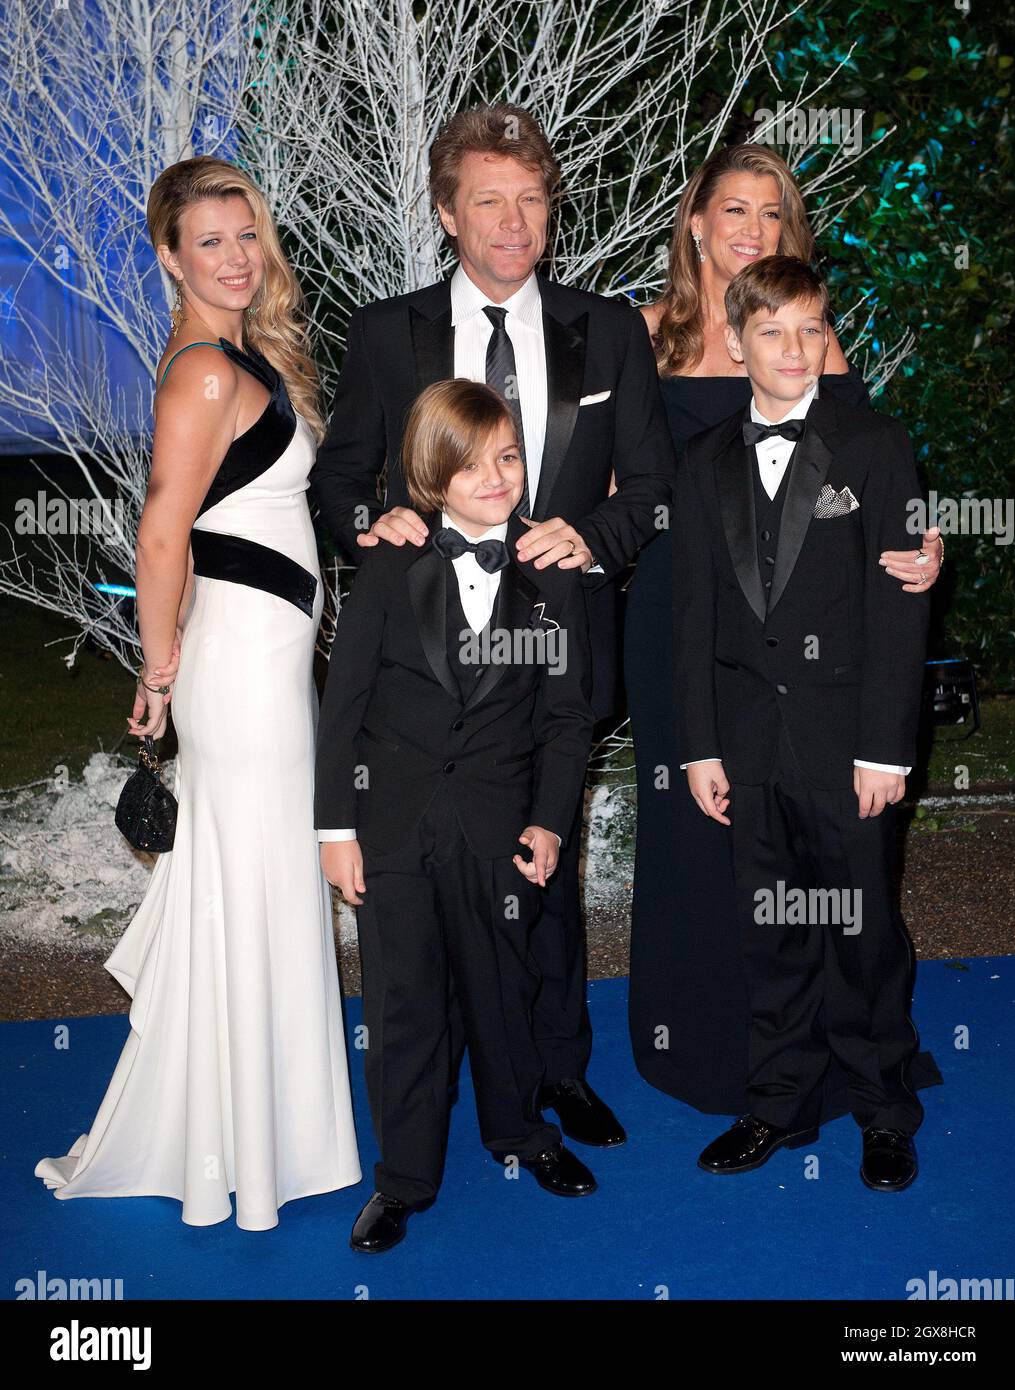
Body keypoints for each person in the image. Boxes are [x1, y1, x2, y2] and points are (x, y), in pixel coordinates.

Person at [309, 102, 676, 1148]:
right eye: (488, 201)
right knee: (425, 897)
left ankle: (554, 1075)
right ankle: (425, 1121)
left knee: (540, 867)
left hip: (554, 654)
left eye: (531, 199)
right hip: (422, 666)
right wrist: (368, 522)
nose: (514, 223)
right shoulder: (388, 331)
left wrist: (592, 536)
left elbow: (654, 487)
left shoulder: (608, 327)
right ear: (445, 212)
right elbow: (341, 473)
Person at [34, 157, 361, 1229]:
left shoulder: (231, 354)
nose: (234, 256)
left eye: (245, 234)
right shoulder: (206, 374)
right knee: (258, 882)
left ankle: (257, 1136)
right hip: (240, 677)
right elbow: (162, 532)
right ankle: (249, 1154)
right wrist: (159, 666)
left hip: (265, 665)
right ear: (169, 254)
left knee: (259, 882)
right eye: (208, 240)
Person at [625, 144, 943, 1117]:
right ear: (695, 224)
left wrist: (922, 550)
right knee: (693, 828)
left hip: (800, 647)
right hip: (676, 620)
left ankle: (827, 1049)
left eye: (772, 215)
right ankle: (702, 1042)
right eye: (734, 211)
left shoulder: (814, 345)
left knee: (806, 845)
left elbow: (872, 486)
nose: (753, 230)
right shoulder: (643, 335)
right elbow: (612, 484)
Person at [316, 379, 597, 1252]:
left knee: (505, 991)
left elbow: (565, 718)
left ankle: (520, 1133)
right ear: (431, 476)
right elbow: (343, 706)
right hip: (394, 827)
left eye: (508, 458)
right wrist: (334, 831)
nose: (495, 477)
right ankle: (403, 1176)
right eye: (471, 464)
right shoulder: (391, 564)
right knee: (404, 1007)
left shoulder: (553, 573)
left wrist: (551, 821)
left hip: (499, 828)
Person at [675, 255, 931, 1189]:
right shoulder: (702, 464)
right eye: (773, 332)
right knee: (770, 930)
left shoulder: (876, 445)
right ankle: (778, 1102)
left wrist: (884, 751)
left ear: (829, 339)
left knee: (863, 930)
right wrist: (700, 743)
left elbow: (899, 610)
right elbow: (693, 616)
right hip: (747, 747)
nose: (794, 350)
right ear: (736, 341)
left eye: (810, 331)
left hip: (847, 745)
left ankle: (884, 1109)